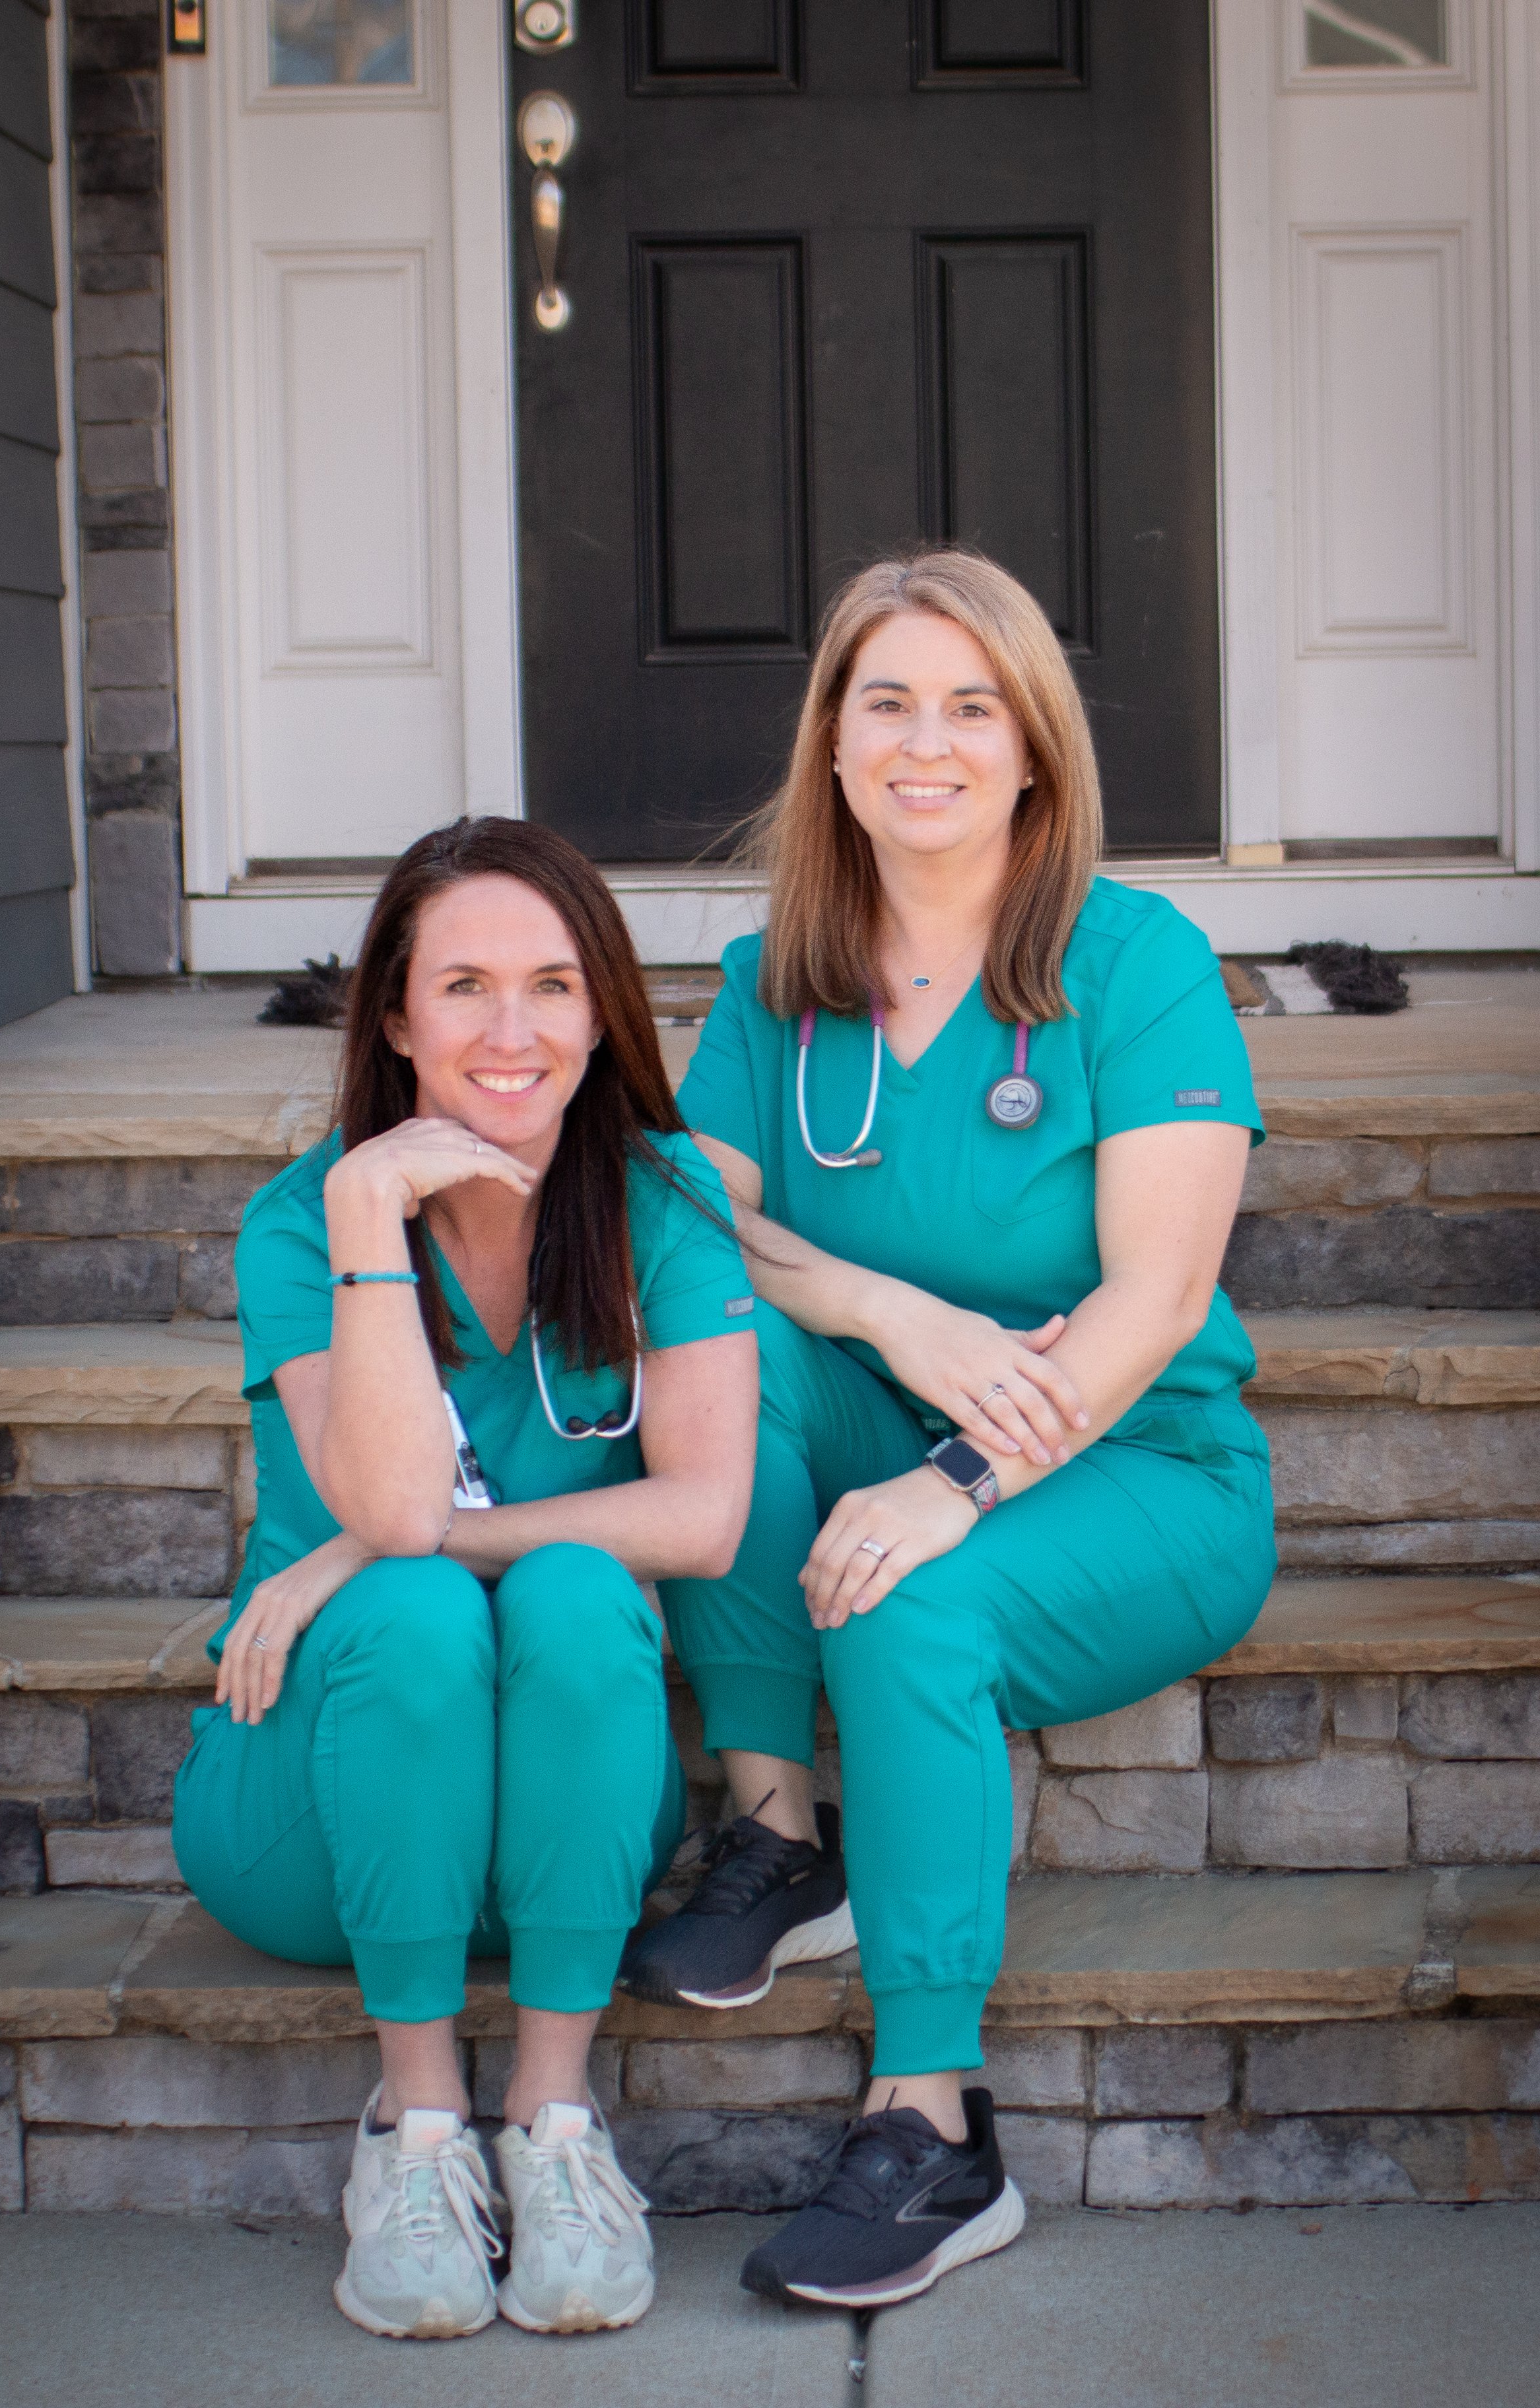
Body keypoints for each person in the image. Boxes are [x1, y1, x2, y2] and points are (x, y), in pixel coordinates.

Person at [620, 550, 1277, 2308]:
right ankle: (778, 1832)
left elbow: (1149, 1299)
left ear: (1035, 751)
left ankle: (934, 2122)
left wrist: (959, 1477)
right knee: (726, 1347)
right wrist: (886, 1311)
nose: (928, 742)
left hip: (1136, 1479)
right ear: (832, 744)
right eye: (886, 700)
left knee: (915, 1597)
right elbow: (707, 1241)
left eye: (972, 704)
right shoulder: (781, 975)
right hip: (886, 1420)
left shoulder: (1132, 961)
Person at [172, 818, 759, 2342]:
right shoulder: (309, 1219)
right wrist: (374, 1221)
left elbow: (700, 1519)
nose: (513, 1033)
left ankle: (554, 2128)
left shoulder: (662, 1197)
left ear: (603, 1008)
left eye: (554, 986)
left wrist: (358, 1553)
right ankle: (418, 2135)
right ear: (395, 1016)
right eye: (466, 988)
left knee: (569, 1590)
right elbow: (389, 1498)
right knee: (426, 1608)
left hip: (563, 1820)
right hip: (318, 1813)